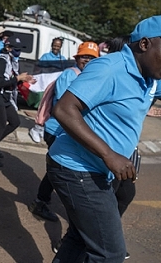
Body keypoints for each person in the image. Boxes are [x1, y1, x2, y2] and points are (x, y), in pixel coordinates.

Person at [47, 15, 161, 263]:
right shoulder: (110, 68)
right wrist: (110, 155)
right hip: (76, 168)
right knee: (110, 254)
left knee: (80, 240)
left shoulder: (149, 77)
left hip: (97, 171)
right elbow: (65, 109)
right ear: (145, 44)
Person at [28, 41, 99, 222]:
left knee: (57, 168)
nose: (88, 61)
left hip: (69, 130)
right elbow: (64, 106)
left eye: (92, 58)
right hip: (57, 129)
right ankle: (41, 202)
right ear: (77, 58)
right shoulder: (69, 75)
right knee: (61, 168)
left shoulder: (88, 77)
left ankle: (41, 201)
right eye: (85, 57)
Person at [0, 37, 35, 166]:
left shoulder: (11, 61)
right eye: (16, 49)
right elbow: (0, 83)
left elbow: (12, 80)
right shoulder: (2, 60)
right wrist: (18, 78)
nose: (18, 52)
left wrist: (24, 80)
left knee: (15, 121)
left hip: (4, 97)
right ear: (8, 48)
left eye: (20, 50)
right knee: (0, 126)